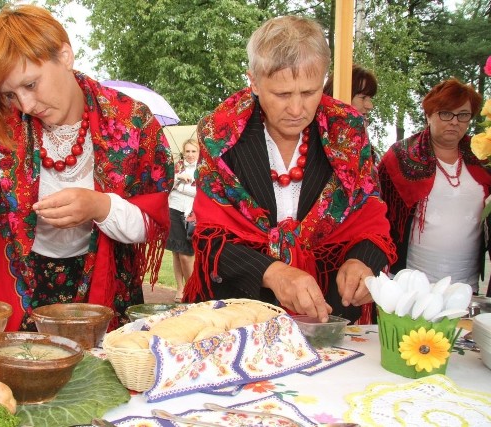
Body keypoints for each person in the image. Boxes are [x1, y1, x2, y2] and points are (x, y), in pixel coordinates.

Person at [0, 4, 174, 331]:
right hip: (23, 295)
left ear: (64, 55)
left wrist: (101, 206)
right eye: (9, 94)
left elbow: (152, 222)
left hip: (108, 297)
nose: (25, 106)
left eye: (31, 84)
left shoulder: (132, 122)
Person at [183, 16, 396, 324]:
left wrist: (362, 261)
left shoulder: (347, 131)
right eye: (282, 94)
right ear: (254, 81)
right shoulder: (220, 135)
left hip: (330, 311)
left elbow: (368, 216)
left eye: (310, 93)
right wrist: (272, 273)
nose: (297, 110)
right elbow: (210, 237)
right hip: (241, 314)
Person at [378, 78, 491, 294]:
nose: (454, 121)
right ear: (429, 115)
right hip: (410, 283)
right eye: (446, 113)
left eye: (463, 115)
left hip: (466, 285)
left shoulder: (483, 157)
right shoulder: (399, 157)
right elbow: (378, 213)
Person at [165, 138, 199, 302]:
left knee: (187, 255)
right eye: (187, 151)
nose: (190, 155)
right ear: (183, 152)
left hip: (191, 215)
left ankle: (192, 289)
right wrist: (178, 178)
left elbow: (199, 193)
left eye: (193, 151)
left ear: (198, 152)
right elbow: (166, 186)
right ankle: (180, 288)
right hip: (173, 209)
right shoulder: (177, 167)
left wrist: (182, 186)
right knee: (177, 253)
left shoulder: (202, 169)